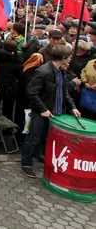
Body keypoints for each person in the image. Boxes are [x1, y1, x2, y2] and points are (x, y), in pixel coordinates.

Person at [21, 45, 81, 178]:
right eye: (69, 58)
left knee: (43, 137)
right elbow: (31, 92)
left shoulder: (61, 71)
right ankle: (26, 163)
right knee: (34, 137)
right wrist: (43, 109)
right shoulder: (44, 71)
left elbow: (63, 91)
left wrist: (73, 107)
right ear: (63, 58)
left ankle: (38, 154)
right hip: (42, 111)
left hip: (54, 111)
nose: (70, 60)